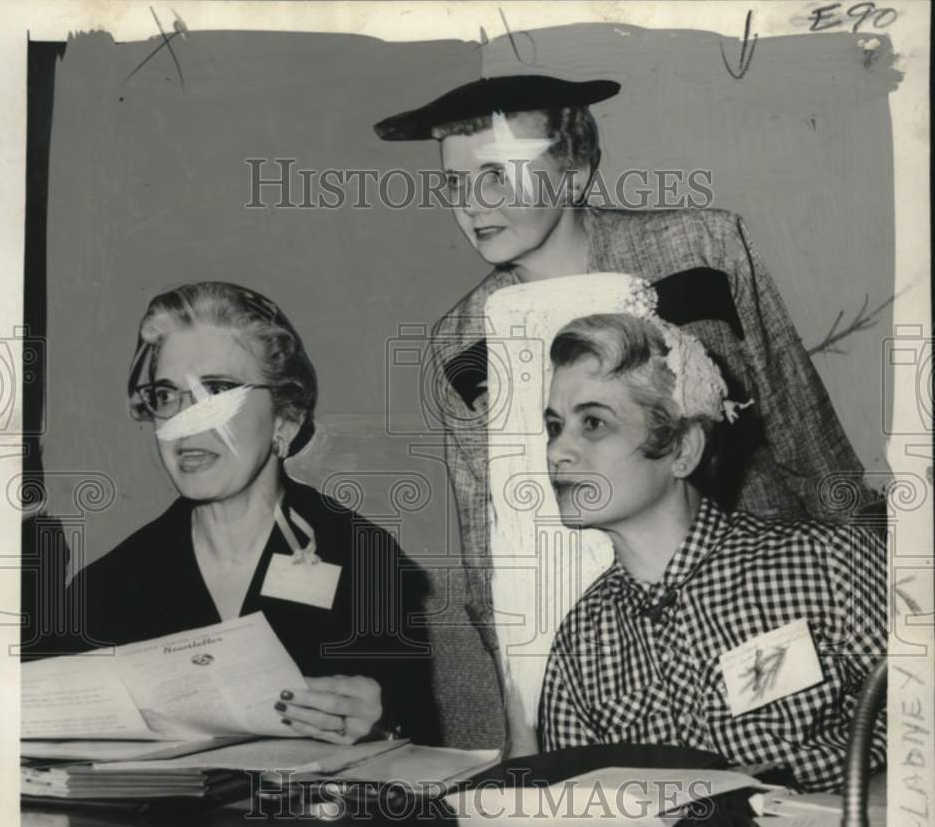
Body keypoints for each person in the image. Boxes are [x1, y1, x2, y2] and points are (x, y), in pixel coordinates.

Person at [374, 73, 879, 752]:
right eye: (456, 183)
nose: (473, 205)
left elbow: (806, 433)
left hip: (768, 610)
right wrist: (522, 722)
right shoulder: (464, 339)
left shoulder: (700, 249)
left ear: (575, 171)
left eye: (498, 175)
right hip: (601, 653)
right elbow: (489, 541)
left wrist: (873, 578)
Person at [63, 281, 439, 745]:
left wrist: (384, 725)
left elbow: (421, 746)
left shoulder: (364, 560)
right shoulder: (104, 588)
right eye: (167, 396)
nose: (185, 422)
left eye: (217, 392)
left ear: (285, 418)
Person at [537, 312, 886, 793]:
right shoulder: (580, 641)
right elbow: (576, 821)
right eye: (554, 427)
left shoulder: (829, 563)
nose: (558, 451)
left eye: (593, 423)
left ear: (683, 448)